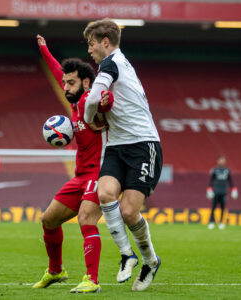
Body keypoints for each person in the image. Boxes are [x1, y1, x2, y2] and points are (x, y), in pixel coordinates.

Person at [83, 19, 162, 292]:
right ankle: (127, 254)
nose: (89, 50)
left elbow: (93, 99)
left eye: (91, 44)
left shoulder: (111, 63)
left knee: (129, 212)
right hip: (116, 146)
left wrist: (90, 119)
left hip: (143, 144)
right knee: (105, 193)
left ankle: (150, 261)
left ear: (106, 42)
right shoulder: (118, 65)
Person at [33, 34, 113, 293]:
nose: (65, 87)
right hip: (79, 177)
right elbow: (58, 71)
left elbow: (108, 103)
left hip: (101, 174)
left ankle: (92, 279)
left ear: (86, 82)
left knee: (86, 218)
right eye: (64, 83)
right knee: (49, 220)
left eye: (70, 83)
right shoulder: (73, 99)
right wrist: (44, 49)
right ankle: (56, 271)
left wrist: (107, 101)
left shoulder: (93, 100)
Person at [206, 155, 238, 230]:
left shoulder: (227, 170)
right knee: (213, 207)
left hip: (224, 191)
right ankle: (211, 222)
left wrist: (234, 189)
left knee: (222, 208)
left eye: (223, 160)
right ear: (218, 161)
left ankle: (221, 222)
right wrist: (209, 189)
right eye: (221, 160)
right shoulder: (215, 170)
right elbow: (211, 181)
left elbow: (230, 181)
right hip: (216, 191)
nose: (222, 162)